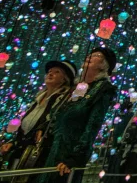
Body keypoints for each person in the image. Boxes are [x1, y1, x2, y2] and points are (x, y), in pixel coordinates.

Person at [39, 47, 118, 183]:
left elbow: (93, 125)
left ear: (104, 65)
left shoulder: (102, 89)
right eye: (90, 54)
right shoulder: (74, 88)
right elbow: (56, 114)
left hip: (66, 159)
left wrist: (75, 157)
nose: (90, 56)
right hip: (48, 152)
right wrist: (43, 128)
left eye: (97, 55)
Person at [3, 61, 76, 178]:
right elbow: (26, 125)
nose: (50, 74)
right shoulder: (38, 99)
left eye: (57, 72)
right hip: (22, 154)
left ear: (65, 79)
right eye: (49, 71)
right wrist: (13, 142)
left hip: (40, 157)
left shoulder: (64, 100)